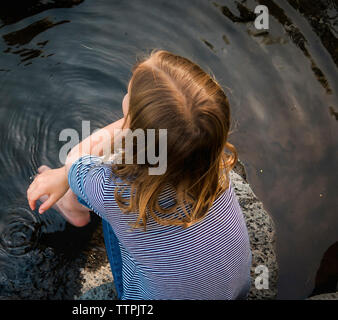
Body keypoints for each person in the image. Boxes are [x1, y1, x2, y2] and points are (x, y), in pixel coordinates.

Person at [27, 49, 252, 300]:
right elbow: (166, 136)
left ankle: (74, 209)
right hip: (234, 292)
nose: (125, 98)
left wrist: (64, 175)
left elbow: (75, 159)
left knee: (96, 178)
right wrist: (136, 122)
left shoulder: (116, 191)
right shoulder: (213, 163)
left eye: (128, 97)